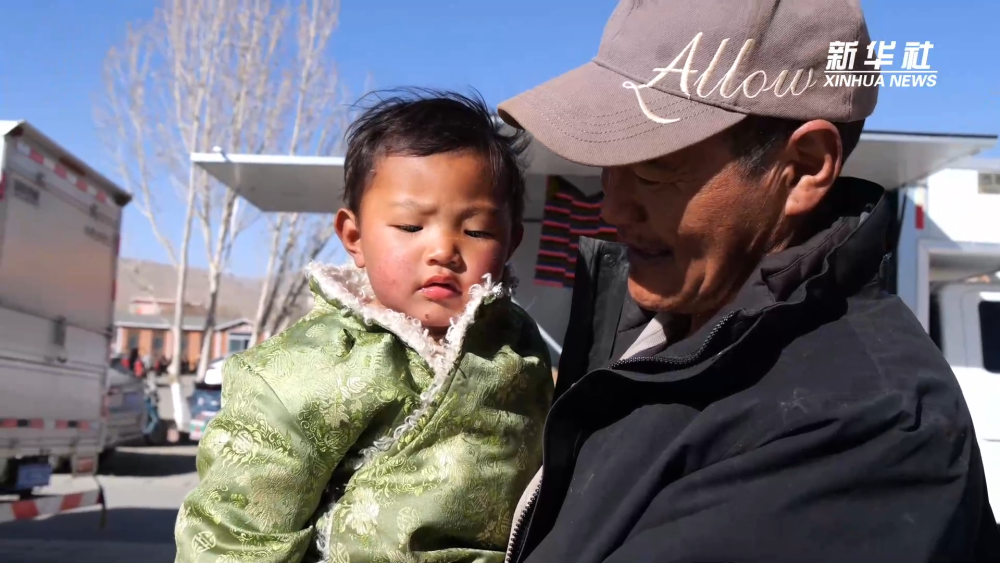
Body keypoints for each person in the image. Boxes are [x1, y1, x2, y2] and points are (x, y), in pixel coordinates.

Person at [497, 0, 1000, 562]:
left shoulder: (861, 434)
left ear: (805, 167)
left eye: (653, 166)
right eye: (608, 161)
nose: (611, 208)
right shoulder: (660, 320)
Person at [174, 90, 553, 563]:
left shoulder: (520, 347)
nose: (443, 250)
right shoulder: (310, 367)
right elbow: (236, 531)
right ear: (354, 237)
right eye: (411, 227)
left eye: (476, 230)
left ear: (512, 240)